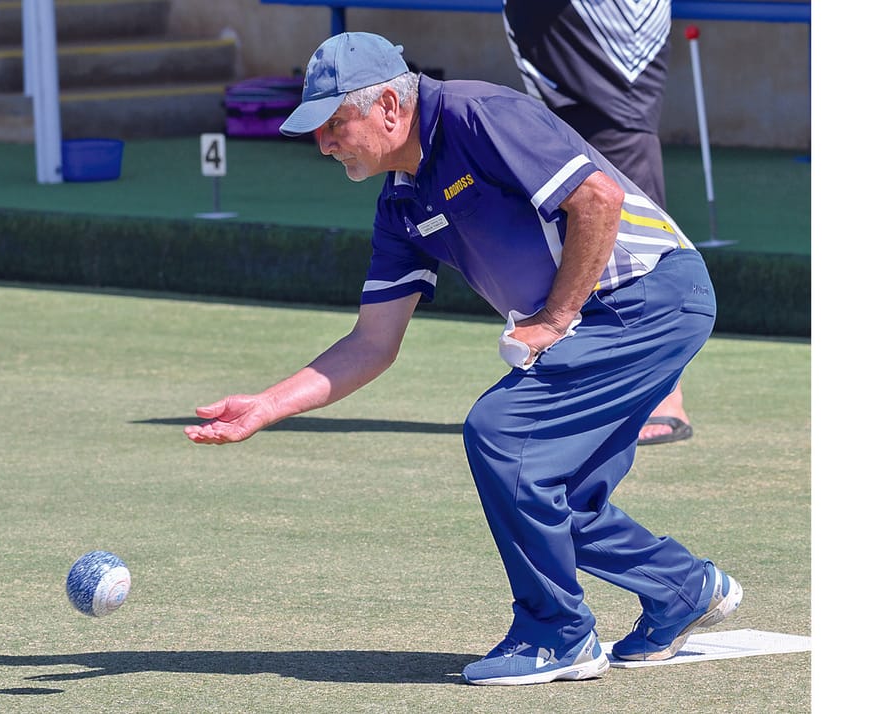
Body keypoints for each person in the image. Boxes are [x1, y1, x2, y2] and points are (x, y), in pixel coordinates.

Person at [184, 32, 742, 686]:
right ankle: (682, 589)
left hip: (647, 296)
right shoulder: (400, 202)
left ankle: (556, 634)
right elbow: (372, 343)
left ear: (390, 105)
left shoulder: (480, 115)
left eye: (336, 123)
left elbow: (599, 200)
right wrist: (267, 405)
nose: (325, 143)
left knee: (502, 434)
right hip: (610, 317)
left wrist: (555, 318)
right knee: (557, 498)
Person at [502, 0, 692, 446]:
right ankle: (588, 390)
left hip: (607, 38)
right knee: (569, 183)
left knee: (622, 172)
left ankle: (664, 395)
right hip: (557, 44)